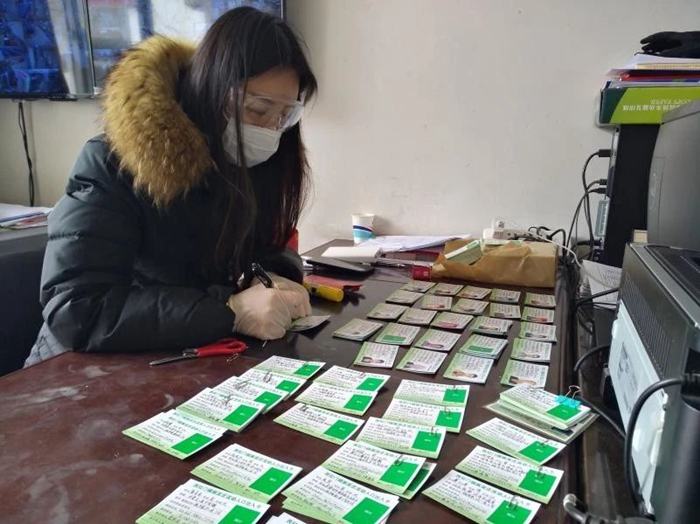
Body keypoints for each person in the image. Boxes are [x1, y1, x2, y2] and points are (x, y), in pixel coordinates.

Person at [25, 7, 317, 366]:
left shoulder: (248, 160)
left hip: (183, 357)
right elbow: (77, 308)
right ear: (212, 91)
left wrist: (272, 276)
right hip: (77, 369)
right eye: (258, 109)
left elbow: (269, 244)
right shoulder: (112, 163)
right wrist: (229, 310)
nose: (271, 129)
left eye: (285, 115)